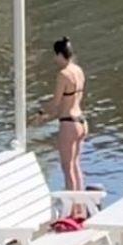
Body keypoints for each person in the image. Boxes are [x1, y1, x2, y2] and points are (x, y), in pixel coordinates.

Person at [32, 37, 87, 211]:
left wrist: (41, 111)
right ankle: (81, 205)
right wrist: (47, 119)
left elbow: (56, 103)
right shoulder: (78, 70)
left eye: (55, 56)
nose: (54, 60)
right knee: (75, 165)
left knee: (66, 167)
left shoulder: (63, 74)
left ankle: (72, 209)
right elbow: (67, 103)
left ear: (60, 54)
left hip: (69, 124)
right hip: (81, 121)